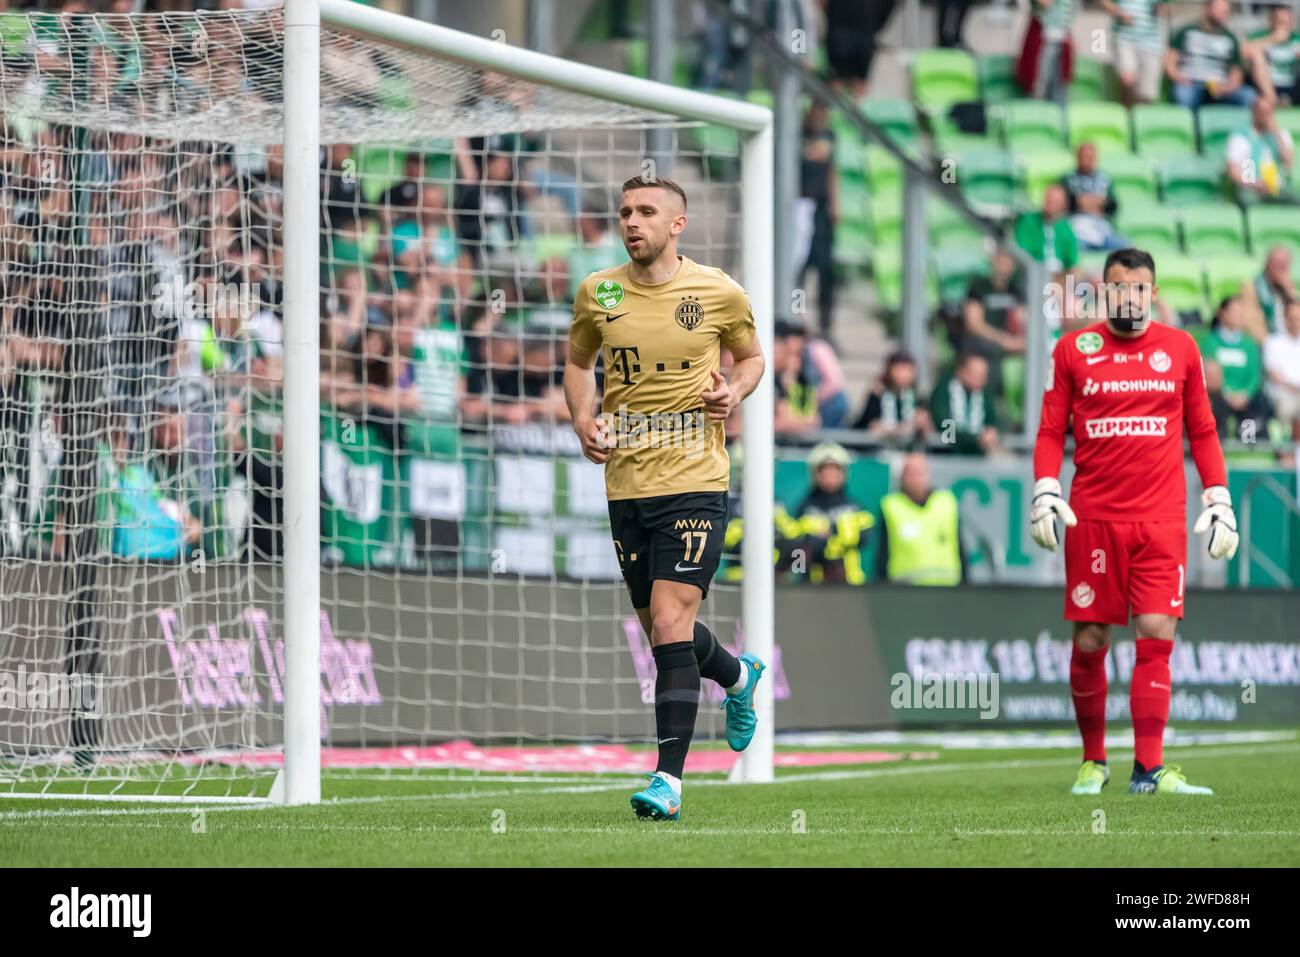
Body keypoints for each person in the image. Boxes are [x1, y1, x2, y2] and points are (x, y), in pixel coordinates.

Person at [565, 174, 767, 822]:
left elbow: (753, 357)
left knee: (673, 619)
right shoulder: (598, 291)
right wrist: (581, 418)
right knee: (661, 629)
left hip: (697, 479)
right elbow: (576, 365)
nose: (632, 220)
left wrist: (732, 392)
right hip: (626, 482)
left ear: (677, 224)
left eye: (646, 211)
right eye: (625, 211)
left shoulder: (718, 291)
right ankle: (738, 675)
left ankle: (668, 781)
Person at [1030, 247, 1238, 797]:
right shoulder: (1074, 349)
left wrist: (1218, 497)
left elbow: (1204, 429)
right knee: (1092, 637)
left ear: (1153, 292)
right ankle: (1093, 760)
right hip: (1094, 517)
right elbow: (1052, 430)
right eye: (1118, 287)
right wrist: (1046, 487)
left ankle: (1148, 768)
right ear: (1105, 291)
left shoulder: (1181, 348)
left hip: (1163, 519)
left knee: (1156, 632)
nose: (1129, 296)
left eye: (1139, 288)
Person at [875, 452, 965, 586]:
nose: (916, 478)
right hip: (905, 591)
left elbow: (960, 548)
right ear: (902, 477)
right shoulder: (891, 505)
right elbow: (882, 553)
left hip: (947, 590)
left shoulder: (946, 502)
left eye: (920, 473)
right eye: (910, 473)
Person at [793, 442, 874, 585]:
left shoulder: (855, 506)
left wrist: (829, 535)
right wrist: (840, 535)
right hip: (813, 586)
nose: (830, 474)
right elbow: (799, 549)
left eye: (835, 469)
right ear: (815, 473)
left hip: (850, 584)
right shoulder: (805, 507)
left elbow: (865, 536)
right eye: (824, 469)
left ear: (843, 472)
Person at [1165, 0, 1258, 110]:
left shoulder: (1230, 38)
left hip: (1220, 86)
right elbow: (1169, 61)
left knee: (1248, 95)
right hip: (1191, 84)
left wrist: (1227, 88)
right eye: (1221, 10)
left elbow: (1236, 72)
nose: (1225, 13)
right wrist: (1179, 78)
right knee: (1182, 95)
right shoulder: (1187, 31)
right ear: (1207, 9)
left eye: (1227, 11)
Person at [1201, 295, 1270, 441]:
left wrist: (1245, 394)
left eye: (1240, 313)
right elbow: (1209, 373)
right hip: (1220, 396)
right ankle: (1219, 449)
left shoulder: (1249, 345)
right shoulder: (1210, 342)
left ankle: (1250, 451)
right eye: (1234, 312)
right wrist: (1227, 393)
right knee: (1215, 411)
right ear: (1222, 313)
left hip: (1245, 399)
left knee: (1256, 412)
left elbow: (1254, 376)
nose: (1238, 316)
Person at [1225, 96, 1296, 206]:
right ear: (1254, 112)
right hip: (1251, 187)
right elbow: (1233, 172)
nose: (1265, 117)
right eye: (1262, 112)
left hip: (1276, 186)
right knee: (1248, 199)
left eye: (1268, 112)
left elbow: (1288, 163)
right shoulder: (1241, 137)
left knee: (1295, 198)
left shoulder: (1281, 134)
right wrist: (1256, 184)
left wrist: (1277, 134)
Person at [929, 352, 1000, 455]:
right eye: (977, 374)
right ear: (961, 371)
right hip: (947, 455)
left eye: (984, 375)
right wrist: (975, 439)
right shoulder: (943, 392)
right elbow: (947, 430)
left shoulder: (985, 394)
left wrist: (992, 432)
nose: (983, 379)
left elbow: (992, 422)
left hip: (978, 458)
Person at [853, 349, 932, 442]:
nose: (904, 374)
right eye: (899, 369)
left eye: (908, 370)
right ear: (889, 370)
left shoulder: (918, 399)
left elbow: (927, 430)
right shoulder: (877, 396)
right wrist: (907, 427)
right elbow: (874, 428)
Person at [1061, 143, 1126, 252]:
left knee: (1127, 248)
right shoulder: (1067, 179)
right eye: (1084, 157)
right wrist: (1078, 202)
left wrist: (1102, 204)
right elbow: (1061, 205)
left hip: (1101, 227)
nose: (1087, 161)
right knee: (1073, 249)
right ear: (1077, 158)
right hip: (1078, 228)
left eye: (1090, 157)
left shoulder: (1104, 179)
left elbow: (1113, 206)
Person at [1103, 0, 1169, 106]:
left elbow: (1162, 9)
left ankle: (1140, 118)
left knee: (1146, 93)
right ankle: (1125, 113)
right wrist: (1117, 12)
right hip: (1124, 37)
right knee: (1127, 79)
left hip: (1151, 42)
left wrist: (1160, 9)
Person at [1013, 183, 1078, 280]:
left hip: (1060, 276)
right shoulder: (1028, 221)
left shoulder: (1065, 227)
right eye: (1048, 200)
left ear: (1063, 205)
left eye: (1054, 202)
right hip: (1035, 274)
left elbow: (1072, 261)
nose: (1050, 204)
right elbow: (1023, 254)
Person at [1017, 0, 1076, 106]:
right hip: (1042, 40)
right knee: (1037, 88)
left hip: (1062, 40)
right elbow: (1047, 3)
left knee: (1059, 89)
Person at [1244, 3, 1300, 105]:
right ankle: (1271, 98)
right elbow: (1242, 53)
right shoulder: (1260, 36)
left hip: (1291, 84)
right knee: (1256, 55)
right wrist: (1272, 39)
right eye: (1279, 22)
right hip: (1265, 85)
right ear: (1271, 21)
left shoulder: (1297, 39)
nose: (1283, 26)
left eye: (1285, 22)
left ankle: (1285, 100)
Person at [1264, 297, 1300, 441]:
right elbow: (1274, 375)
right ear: (1285, 318)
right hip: (1283, 392)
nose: (1296, 322)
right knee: (1287, 405)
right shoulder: (1273, 342)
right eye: (1292, 318)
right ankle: (1285, 449)